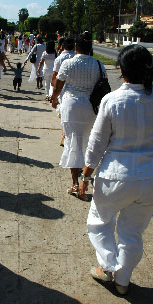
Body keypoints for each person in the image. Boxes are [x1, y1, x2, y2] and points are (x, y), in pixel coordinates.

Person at [78, 45, 153, 295]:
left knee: (99, 221)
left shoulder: (112, 99)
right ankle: (123, 280)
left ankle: (107, 267)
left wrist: (85, 175)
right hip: (152, 177)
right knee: (132, 231)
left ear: (122, 70)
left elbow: (97, 144)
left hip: (115, 176)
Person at [51, 32, 106, 199]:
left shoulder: (68, 63)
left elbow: (58, 86)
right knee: (88, 141)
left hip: (71, 106)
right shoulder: (98, 64)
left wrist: (54, 99)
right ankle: (85, 180)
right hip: (91, 107)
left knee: (72, 141)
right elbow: (102, 83)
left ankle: (76, 183)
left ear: (76, 47)